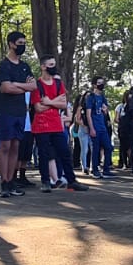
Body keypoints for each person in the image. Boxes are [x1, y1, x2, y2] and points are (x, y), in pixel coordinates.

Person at [0, 32, 38, 197]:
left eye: (24, 43)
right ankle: (4, 182)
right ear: (11, 44)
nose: (22, 46)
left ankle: (11, 181)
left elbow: (33, 86)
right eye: (20, 43)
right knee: (5, 145)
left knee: (15, 146)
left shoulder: (25, 66)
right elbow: (5, 88)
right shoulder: (4, 65)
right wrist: (23, 86)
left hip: (20, 110)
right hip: (6, 110)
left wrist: (16, 85)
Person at [31, 56, 83, 192]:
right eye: (51, 64)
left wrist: (49, 101)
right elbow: (38, 108)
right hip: (41, 126)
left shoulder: (59, 84)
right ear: (43, 66)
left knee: (64, 152)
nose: (53, 67)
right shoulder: (37, 85)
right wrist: (56, 101)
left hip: (56, 124)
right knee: (44, 155)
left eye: (54, 64)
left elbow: (64, 104)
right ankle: (45, 182)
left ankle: (71, 180)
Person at [84, 77, 116, 178]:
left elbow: (105, 112)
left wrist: (105, 110)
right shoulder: (90, 97)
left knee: (108, 147)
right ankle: (94, 169)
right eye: (99, 83)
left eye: (102, 83)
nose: (101, 85)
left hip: (103, 127)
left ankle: (106, 169)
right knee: (96, 149)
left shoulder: (102, 97)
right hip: (95, 126)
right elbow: (88, 114)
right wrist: (91, 128)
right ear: (94, 85)